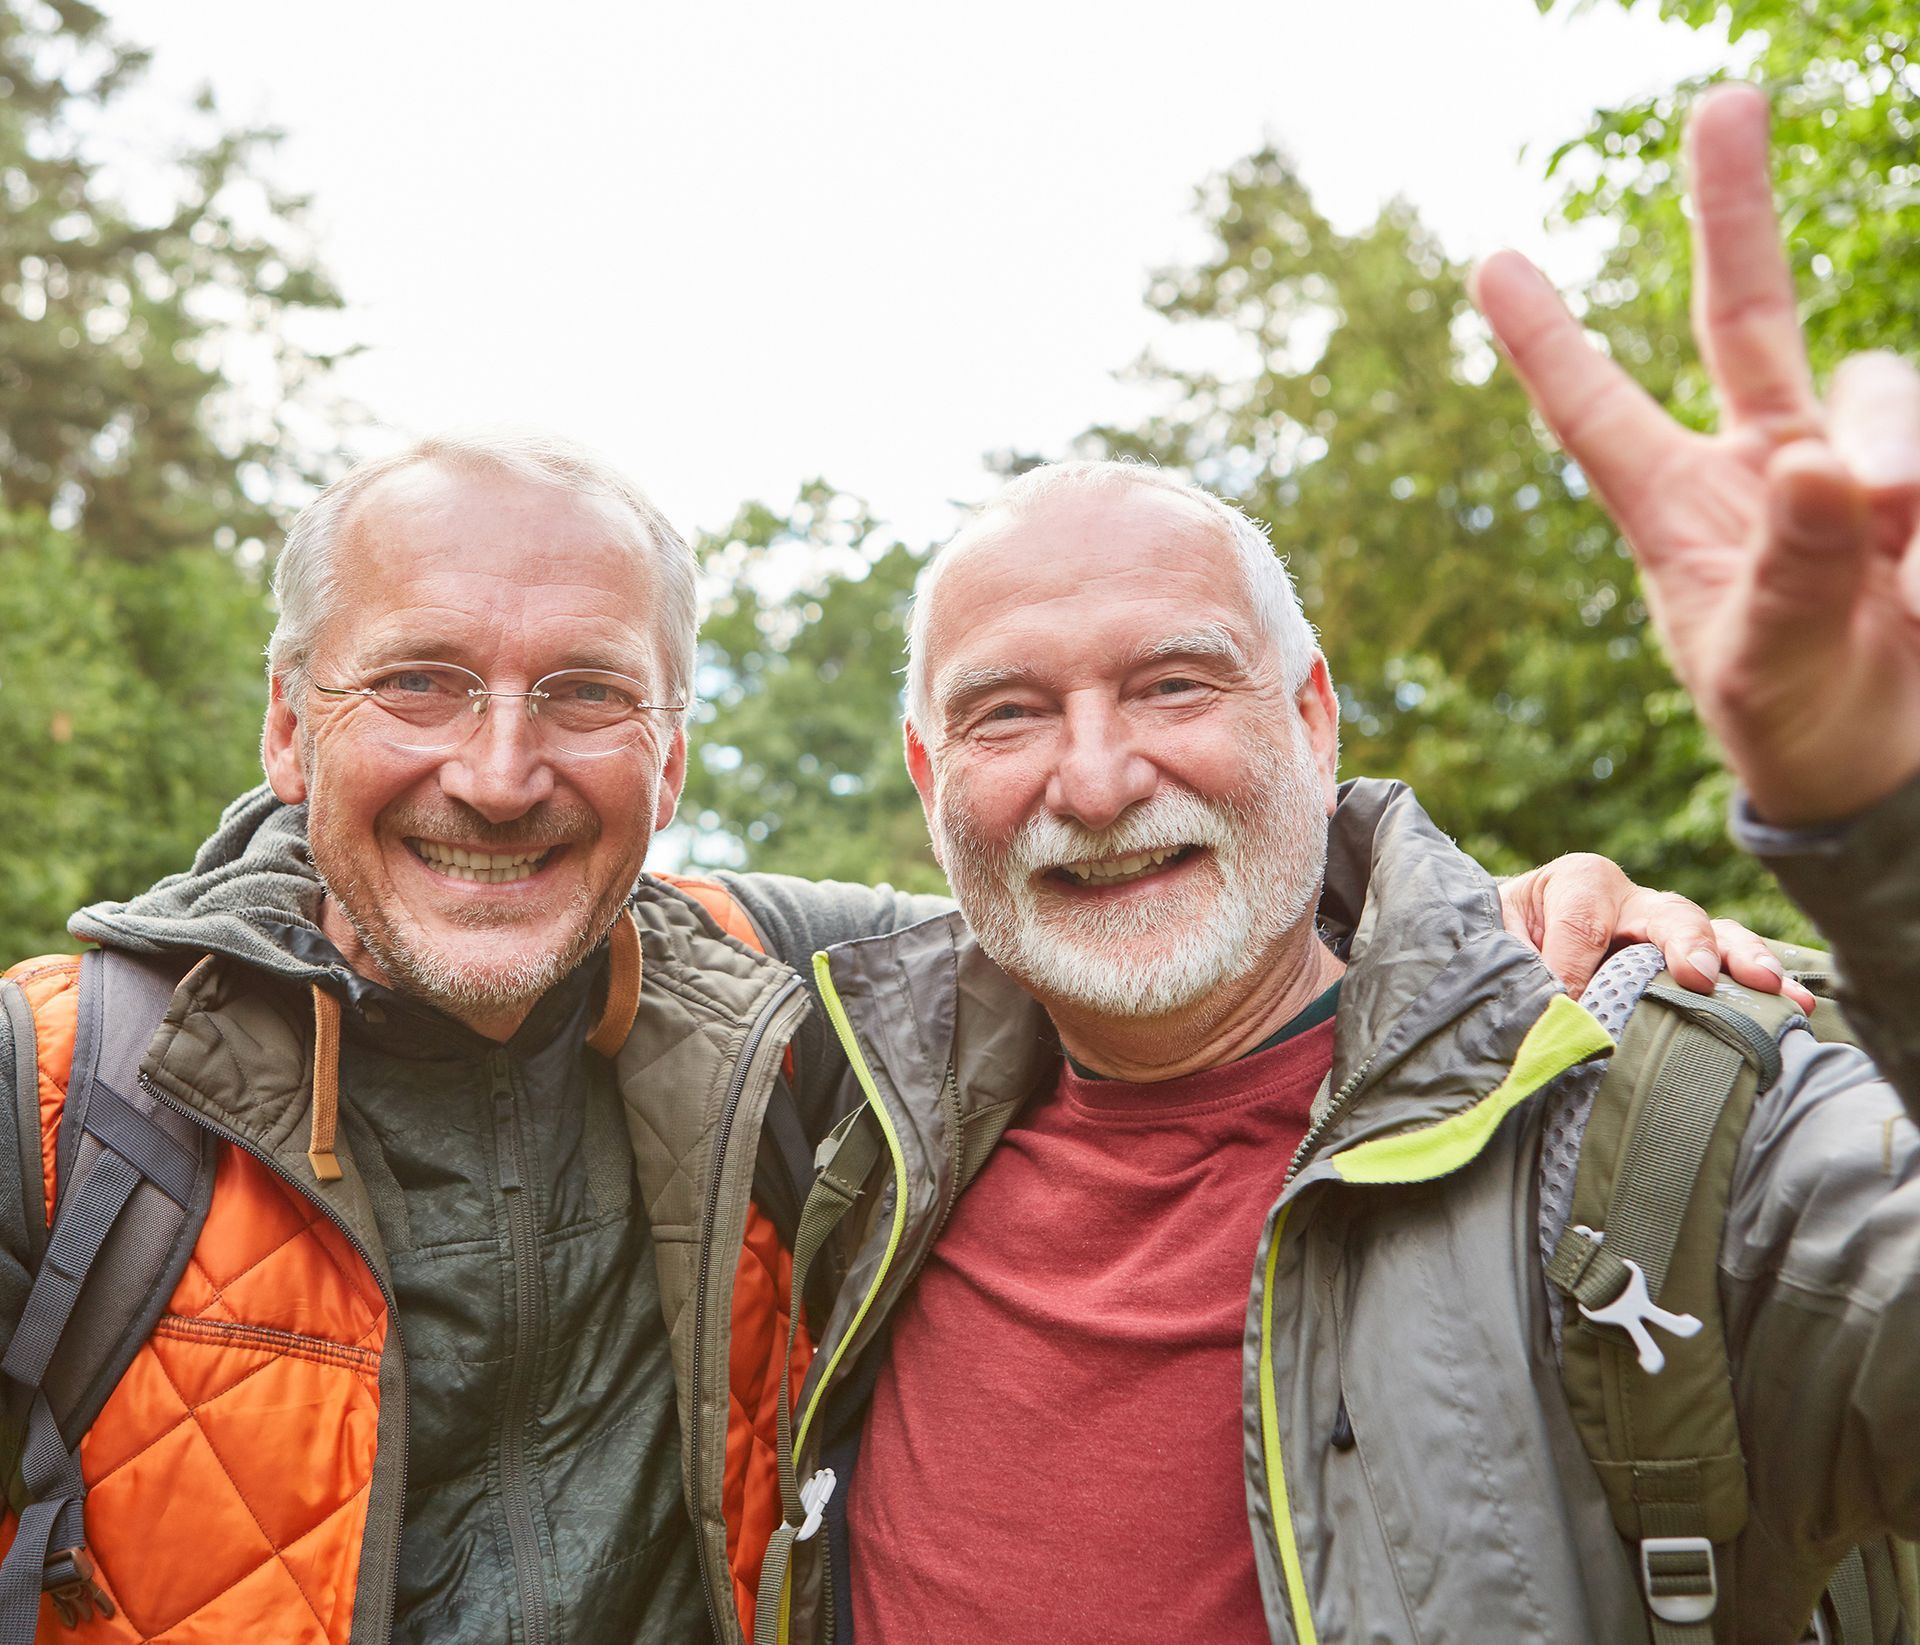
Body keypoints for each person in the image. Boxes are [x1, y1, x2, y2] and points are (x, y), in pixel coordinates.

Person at [0, 432, 1737, 1645]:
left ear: (672, 761)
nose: (503, 768)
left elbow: (1118, 889)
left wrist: (1490, 911)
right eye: (422, 681)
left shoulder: (784, 1013)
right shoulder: (59, 1096)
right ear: (290, 729)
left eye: (589, 694)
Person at [750, 85, 1920, 1645]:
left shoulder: (1658, 1122)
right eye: (1010, 712)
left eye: (1173, 684)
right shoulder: (836, 1106)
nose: (1095, 782)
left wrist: (1883, 817)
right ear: (927, 774)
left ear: (1313, 719)